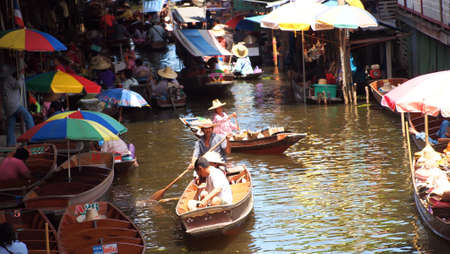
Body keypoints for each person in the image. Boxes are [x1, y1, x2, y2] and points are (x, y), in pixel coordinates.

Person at [0, 65, 35, 147]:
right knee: (28, 117)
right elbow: (18, 85)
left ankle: (10, 144)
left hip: (7, 106)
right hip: (14, 104)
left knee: (11, 125)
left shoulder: (1, 81)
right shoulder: (9, 78)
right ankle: (33, 136)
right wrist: (22, 76)